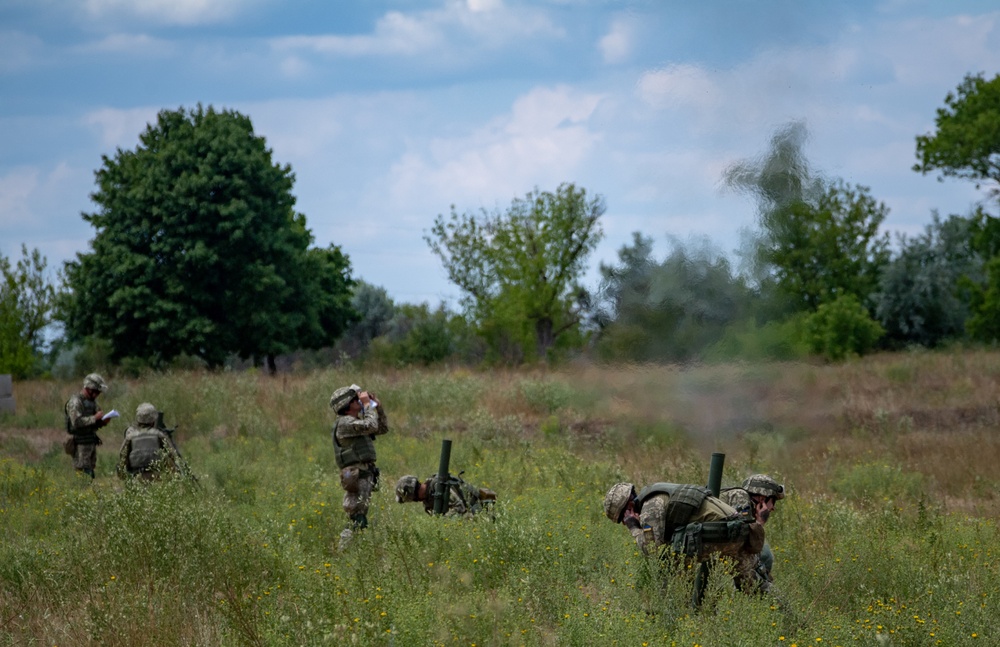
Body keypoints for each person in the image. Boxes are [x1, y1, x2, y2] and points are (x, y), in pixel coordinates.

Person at [604, 481, 768, 594]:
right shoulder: (660, 493)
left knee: (673, 560)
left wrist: (633, 526)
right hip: (736, 531)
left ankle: (688, 610)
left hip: (720, 535)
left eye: (621, 520)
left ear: (628, 508)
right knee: (754, 585)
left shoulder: (650, 507)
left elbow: (652, 549)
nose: (623, 524)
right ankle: (788, 617)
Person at [330, 383, 389, 549]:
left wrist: (378, 408)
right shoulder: (345, 423)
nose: (359, 401)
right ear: (347, 405)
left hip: (364, 474)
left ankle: (353, 549)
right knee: (355, 515)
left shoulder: (355, 423)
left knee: (360, 514)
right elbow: (371, 425)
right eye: (356, 399)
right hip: (356, 475)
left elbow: (381, 428)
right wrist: (368, 406)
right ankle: (344, 550)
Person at [720, 474, 786, 584]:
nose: (773, 508)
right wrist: (759, 522)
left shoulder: (743, 501)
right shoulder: (740, 497)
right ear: (762, 498)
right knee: (761, 560)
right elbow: (749, 547)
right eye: (773, 501)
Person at [116, 403, 184, 481]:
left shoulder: (130, 437)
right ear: (153, 419)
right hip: (157, 476)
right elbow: (172, 454)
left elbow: (123, 456)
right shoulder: (158, 434)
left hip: (137, 477)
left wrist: (124, 475)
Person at [64, 373, 112, 479]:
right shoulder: (76, 402)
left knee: (89, 473)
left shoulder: (92, 402)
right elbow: (76, 422)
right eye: (96, 391)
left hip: (90, 442)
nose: (98, 394)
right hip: (80, 443)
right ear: (90, 389)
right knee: (83, 474)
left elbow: (92, 422)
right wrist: (95, 418)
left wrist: (102, 421)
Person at [395, 473, 497, 517]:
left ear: (411, 495)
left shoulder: (438, 485)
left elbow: (460, 507)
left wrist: (444, 523)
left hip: (477, 512)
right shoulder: (427, 499)